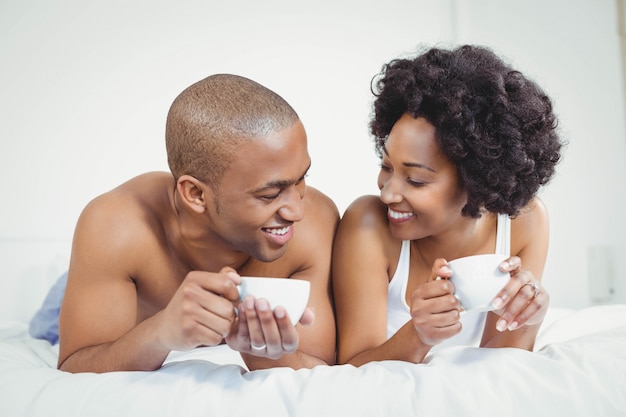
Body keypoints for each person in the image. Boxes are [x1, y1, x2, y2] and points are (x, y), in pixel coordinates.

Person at [57, 74, 339, 373]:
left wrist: (258, 349)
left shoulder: (315, 224)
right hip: (105, 289)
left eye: (302, 178)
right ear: (195, 194)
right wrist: (160, 332)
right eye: (270, 194)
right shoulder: (116, 226)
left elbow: (320, 368)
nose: (297, 210)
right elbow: (75, 365)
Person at [332, 45, 563, 366]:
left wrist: (529, 315)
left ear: (479, 182)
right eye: (386, 167)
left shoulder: (526, 221)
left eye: (415, 180)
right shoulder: (368, 223)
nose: (388, 194)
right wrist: (418, 334)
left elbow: (506, 364)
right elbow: (351, 368)